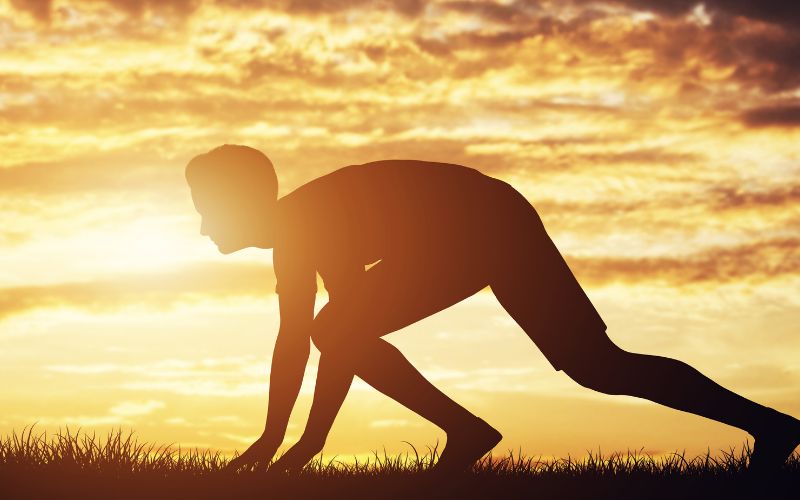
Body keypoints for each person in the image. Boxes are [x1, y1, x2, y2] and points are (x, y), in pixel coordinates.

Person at [185, 144, 800, 475]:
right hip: (484, 220)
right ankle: (774, 429)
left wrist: (299, 446)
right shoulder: (294, 238)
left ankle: (465, 431)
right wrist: (285, 442)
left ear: (244, 202)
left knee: (595, 365)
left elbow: (328, 338)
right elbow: (309, 342)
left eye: (209, 208)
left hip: (486, 221)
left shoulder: (308, 223)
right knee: (597, 367)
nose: (204, 226)